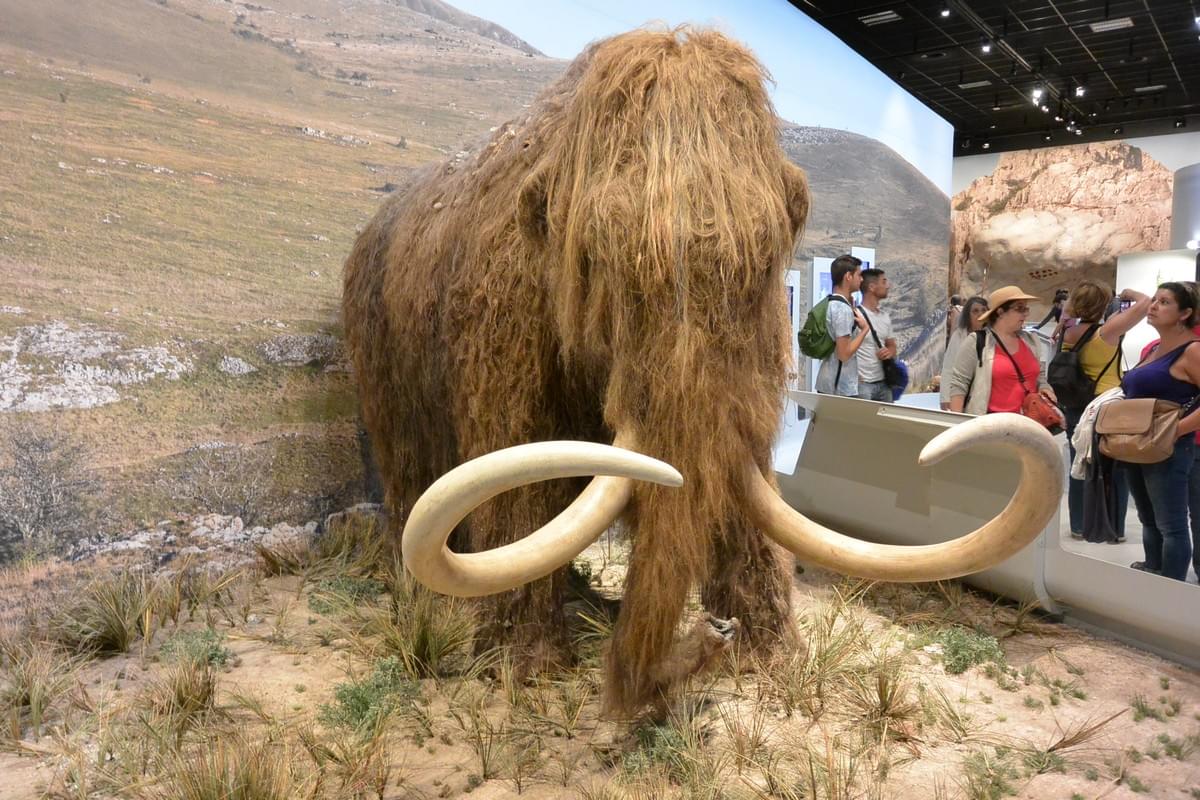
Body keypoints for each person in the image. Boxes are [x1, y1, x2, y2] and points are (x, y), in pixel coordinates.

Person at [1120, 282, 1200, 581]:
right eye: (1154, 300)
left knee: (1172, 526)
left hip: (1169, 449)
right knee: (1148, 519)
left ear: (1185, 313)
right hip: (1137, 444)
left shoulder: (1192, 350)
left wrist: (1175, 430)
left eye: (1164, 302)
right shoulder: (1153, 348)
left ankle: (1169, 588)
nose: (1152, 306)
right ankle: (1152, 572)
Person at [1059, 281, 1150, 539]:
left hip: (1076, 406)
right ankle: (1112, 527)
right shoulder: (1106, 332)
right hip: (1106, 405)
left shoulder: (1067, 332)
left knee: (1080, 462)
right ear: (1103, 303)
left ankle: (1079, 523)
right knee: (1115, 467)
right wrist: (1128, 293)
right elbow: (1145, 303)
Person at [947, 285, 1058, 416]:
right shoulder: (977, 341)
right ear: (1000, 312)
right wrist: (956, 422)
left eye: (1026, 309)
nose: (1026, 313)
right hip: (990, 427)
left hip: (1028, 426)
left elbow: (1039, 375)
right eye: (1020, 308)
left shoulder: (1030, 340)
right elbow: (959, 384)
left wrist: (1045, 388)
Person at [815, 255, 868, 397]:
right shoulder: (842, 310)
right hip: (839, 388)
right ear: (848, 277)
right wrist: (865, 330)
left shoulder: (830, 303)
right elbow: (843, 354)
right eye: (859, 275)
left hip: (828, 382)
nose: (861, 279)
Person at [856, 268, 897, 403]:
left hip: (884, 383)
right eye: (884, 281)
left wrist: (889, 352)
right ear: (872, 287)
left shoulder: (885, 317)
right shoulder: (856, 315)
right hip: (862, 385)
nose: (888, 286)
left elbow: (892, 345)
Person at [940, 295, 988, 410]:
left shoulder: (993, 337)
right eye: (975, 311)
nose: (980, 314)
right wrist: (945, 398)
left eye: (984, 310)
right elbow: (948, 367)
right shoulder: (959, 336)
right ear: (968, 315)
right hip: (959, 393)